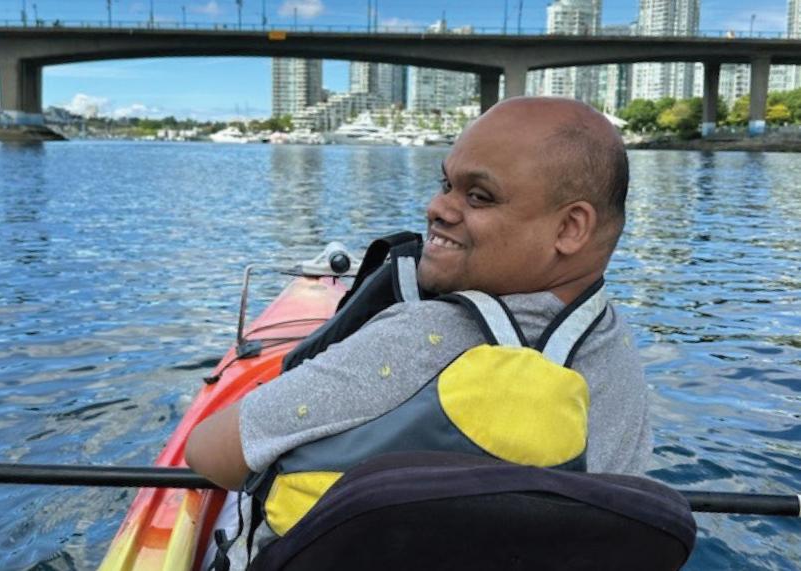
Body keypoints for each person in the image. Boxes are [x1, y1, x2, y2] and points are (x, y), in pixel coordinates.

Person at [186, 96, 652, 569]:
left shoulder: (425, 335)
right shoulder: (617, 354)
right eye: (446, 184)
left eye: (478, 196)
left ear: (571, 227)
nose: (436, 207)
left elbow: (208, 452)